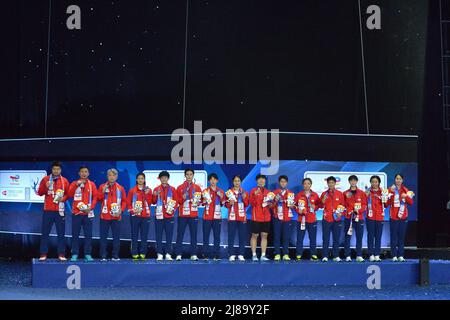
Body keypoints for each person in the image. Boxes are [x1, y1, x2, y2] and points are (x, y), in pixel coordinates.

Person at [37, 161, 70, 261]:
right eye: (54, 169)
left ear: (61, 170)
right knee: (45, 233)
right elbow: (40, 193)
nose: (56, 171)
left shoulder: (64, 181)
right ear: (52, 170)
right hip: (48, 211)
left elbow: (68, 194)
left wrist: (63, 199)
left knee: (61, 233)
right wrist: (45, 187)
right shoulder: (46, 179)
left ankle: (61, 254)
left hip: (60, 211)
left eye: (58, 169)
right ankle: (43, 254)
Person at [67, 166, 98, 262]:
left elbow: (95, 197)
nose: (84, 173)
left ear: (88, 173)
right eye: (82, 172)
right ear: (79, 173)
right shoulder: (74, 183)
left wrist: (91, 207)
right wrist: (77, 184)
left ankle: (88, 254)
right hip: (76, 214)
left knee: (88, 235)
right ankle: (75, 254)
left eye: (86, 172)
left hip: (87, 214)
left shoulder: (91, 184)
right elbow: (70, 194)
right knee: (75, 234)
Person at [98, 168, 127, 261]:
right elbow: (98, 199)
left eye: (113, 175)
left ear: (116, 177)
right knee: (103, 237)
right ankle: (103, 256)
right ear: (107, 176)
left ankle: (115, 255)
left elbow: (124, 201)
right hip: (104, 217)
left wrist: (121, 211)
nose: (111, 177)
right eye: (110, 175)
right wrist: (103, 192)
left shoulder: (120, 188)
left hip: (116, 217)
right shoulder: (102, 186)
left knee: (116, 237)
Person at [385, 173, 414, 262]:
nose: (398, 180)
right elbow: (385, 204)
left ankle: (401, 255)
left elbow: (411, 203)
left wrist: (406, 197)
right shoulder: (390, 190)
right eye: (397, 179)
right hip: (393, 217)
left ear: (402, 180)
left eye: (400, 179)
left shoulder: (406, 190)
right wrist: (390, 195)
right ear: (395, 180)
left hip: (403, 217)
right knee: (393, 237)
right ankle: (394, 255)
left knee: (401, 237)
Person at [175, 168, 202, 261]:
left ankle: (194, 254)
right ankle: (178, 254)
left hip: (193, 215)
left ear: (193, 175)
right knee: (180, 235)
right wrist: (182, 198)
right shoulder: (180, 187)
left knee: (194, 235)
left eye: (191, 174)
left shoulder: (197, 188)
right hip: (182, 215)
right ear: (185, 176)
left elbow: (200, 202)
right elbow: (177, 201)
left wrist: (196, 202)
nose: (189, 176)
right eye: (187, 174)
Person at [152, 170, 178, 261]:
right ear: (160, 179)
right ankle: (159, 254)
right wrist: (155, 195)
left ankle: (168, 254)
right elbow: (153, 202)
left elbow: (176, 202)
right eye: (162, 177)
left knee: (169, 236)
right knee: (158, 236)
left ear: (168, 178)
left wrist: (172, 210)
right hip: (159, 216)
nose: (164, 179)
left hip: (169, 216)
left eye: (165, 177)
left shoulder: (173, 189)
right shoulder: (156, 189)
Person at [319, 176, 345, 262]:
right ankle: (325, 256)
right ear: (327, 184)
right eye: (329, 183)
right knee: (325, 238)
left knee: (336, 239)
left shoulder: (340, 194)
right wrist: (323, 200)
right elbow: (320, 206)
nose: (331, 184)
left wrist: (340, 213)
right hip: (326, 219)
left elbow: (343, 205)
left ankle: (336, 255)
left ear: (335, 183)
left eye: (332, 183)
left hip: (337, 220)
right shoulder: (324, 194)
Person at [127, 173, 152, 260]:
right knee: (134, 235)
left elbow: (149, 203)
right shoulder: (132, 190)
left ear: (144, 180)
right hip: (135, 216)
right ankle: (134, 252)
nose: (140, 180)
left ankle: (143, 253)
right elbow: (128, 203)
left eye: (142, 178)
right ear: (136, 180)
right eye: (139, 178)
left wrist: (147, 194)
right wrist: (133, 210)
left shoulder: (148, 190)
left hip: (145, 216)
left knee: (144, 235)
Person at [249, 174, 274, 261]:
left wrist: (271, 204)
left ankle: (263, 255)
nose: (261, 181)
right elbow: (251, 204)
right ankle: (254, 254)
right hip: (256, 217)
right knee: (255, 235)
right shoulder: (253, 191)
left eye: (263, 179)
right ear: (257, 181)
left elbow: (271, 205)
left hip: (266, 217)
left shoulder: (268, 192)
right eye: (259, 179)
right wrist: (254, 195)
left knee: (264, 236)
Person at [201, 173, 226, 260]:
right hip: (207, 217)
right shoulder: (205, 191)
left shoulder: (221, 191)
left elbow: (223, 204)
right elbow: (202, 203)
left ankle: (216, 255)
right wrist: (204, 199)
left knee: (217, 236)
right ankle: (205, 255)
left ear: (217, 180)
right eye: (211, 179)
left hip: (217, 217)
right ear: (208, 181)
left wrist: (222, 197)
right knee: (205, 236)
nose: (212, 181)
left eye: (214, 179)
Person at [294, 178, 320, 261]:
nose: (306, 185)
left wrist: (314, 207)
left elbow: (319, 205)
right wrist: (299, 210)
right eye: (305, 183)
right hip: (301, 219)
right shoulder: (299, 195)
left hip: (312, 220)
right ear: (303, 185)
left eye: (308, 183)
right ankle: (298, 254)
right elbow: (295, 205)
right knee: (299, 238)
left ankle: (313, 254)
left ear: (311, 185)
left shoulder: (315, 195)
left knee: (312, 238)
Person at [225, 175, 250, 261]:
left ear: (240, 182)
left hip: (242, 217)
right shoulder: (229, 192)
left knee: (242, 236)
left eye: (238, 181)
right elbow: (226, 205)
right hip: (232, 217)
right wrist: (230, 203)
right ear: (233, 182)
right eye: (235, 181)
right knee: (231, 236)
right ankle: (231, 254)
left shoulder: (245, 192)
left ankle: (241, 254)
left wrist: (244, 198)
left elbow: (247, 204)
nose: (237, 182)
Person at [343, 175, 367, 262]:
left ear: (356, 182)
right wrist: (349, 210)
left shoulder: (362, 193)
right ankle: (347, 255)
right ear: (349, 182)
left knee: (359, 237)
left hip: (359, 218)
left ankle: (359, 255)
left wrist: (359, 211)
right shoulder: (345, 193)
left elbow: (364, 205)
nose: (353, 182)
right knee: (347, 237)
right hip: (348, 218)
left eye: (354, 181)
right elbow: (342, 205)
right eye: (351, 181)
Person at [272, 175, 294, 261]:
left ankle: (285, 254)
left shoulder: (291, 194)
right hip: (277, 217)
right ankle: (277, 253)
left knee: (286, 236)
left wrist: (292, 206)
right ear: (279, 182)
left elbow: (293, 207)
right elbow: (270, 206)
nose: (283, 183)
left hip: (287, 218)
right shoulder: (274, 193)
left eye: (284, 181)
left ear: (287, 183)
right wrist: (275, 200)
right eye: (281, 181)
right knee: (277, 236)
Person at [365, 175, 385, 262]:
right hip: (370, 217)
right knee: (370, 236)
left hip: (380, 217)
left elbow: (387, 204)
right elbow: (362, 203)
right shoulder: (367, 192)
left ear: (379, 183)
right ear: (370, 183)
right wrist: (366, 196)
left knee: (378, 237)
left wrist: (384, 198)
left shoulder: (383, 192)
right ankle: (371, 254)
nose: (374, 183)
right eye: (372, 181)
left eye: (376, 182)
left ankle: (377, 254)